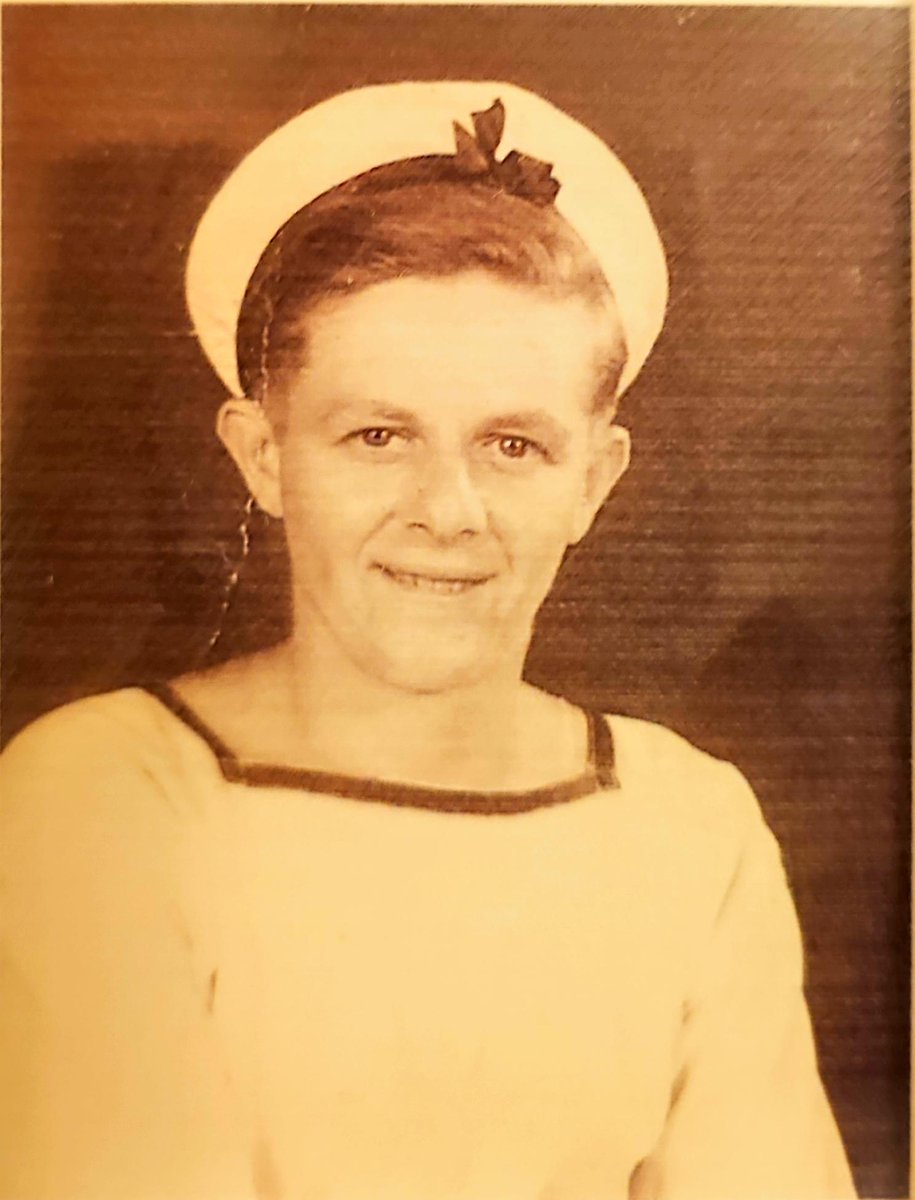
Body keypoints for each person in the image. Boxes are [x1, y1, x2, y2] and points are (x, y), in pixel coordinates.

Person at [0, 80, 856, 1200]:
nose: (446, 511)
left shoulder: (689, 820)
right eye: (377, 435)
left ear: (594, 481)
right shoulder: (111, 792)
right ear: (263, 456)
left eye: (512, 445)